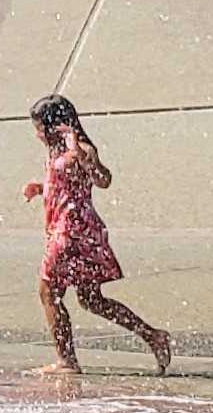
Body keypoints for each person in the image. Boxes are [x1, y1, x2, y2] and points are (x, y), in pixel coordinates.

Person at [27, 94, 172, 374]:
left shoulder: (80, 148)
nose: (36, 135)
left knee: (48, 291)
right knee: (91, 299)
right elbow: (68, 187)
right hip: (74, 231)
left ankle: (66, 361)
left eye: (38, 128)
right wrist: (40, 188)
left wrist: (80, 153)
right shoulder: (56, 152)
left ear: (55, 125)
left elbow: (103, 180)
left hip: (73, 232)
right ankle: (154, 336)